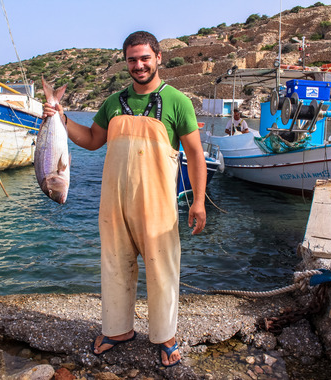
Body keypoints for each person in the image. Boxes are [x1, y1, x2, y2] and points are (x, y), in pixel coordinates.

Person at [42, 31, 207, 368]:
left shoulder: (177, 101)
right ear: (126, 62)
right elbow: (90, 140)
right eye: (132, 59)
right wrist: (60, 119)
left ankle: (166, 336)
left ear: (159, 58)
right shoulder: (113, 103)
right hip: (114, 202)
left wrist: (198, 201)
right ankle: (117, 330)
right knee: (115, 265)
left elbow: (196, 155)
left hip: (158, 204)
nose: (139, 65)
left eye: (145, 58)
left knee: (163, 269)